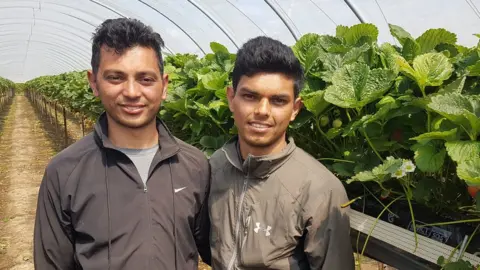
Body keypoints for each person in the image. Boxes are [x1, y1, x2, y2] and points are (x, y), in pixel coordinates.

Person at [33, 18, 211, 269]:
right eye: (115, 78)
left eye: (145, 79)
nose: (131, 92)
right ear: (94, 82)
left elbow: (217, 249)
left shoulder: (195, 165)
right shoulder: (63, 171)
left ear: (164, 85)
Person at [208, 36, 355, 269]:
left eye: (278, 101)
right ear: (231, 98)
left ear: (295, 109)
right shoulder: (213, 168)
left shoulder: (320, 190)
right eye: (250, 96)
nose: (262, 111)